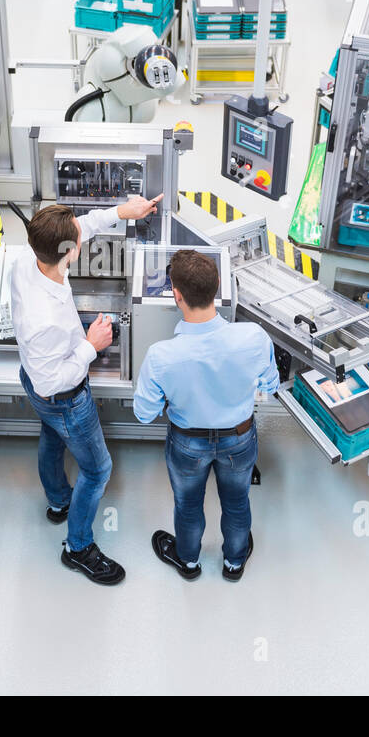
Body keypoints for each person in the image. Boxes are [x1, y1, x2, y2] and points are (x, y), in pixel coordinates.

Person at [11, 193, 162, 585]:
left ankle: (59, 502)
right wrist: (90, 347)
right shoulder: (41, 317)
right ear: (71, 252)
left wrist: (122, 212)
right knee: (97, 469)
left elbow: (83, 225)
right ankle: (77, 547)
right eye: (78, 237)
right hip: (61, 395)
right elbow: (51, 382)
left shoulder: (30, 259)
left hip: (33, 382)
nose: (83, 234)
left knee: (50, 435)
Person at [133, 249, 279, 582]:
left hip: (187, 445)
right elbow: (270, 385)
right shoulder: (254, 337)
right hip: (240, 440)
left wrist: (172, 401)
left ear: (177, 295)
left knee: (187, 506)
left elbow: (144, 413)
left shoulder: (161, 356)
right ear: (217, 289)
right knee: (237, 501)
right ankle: (234, 562)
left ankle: (188, 562)